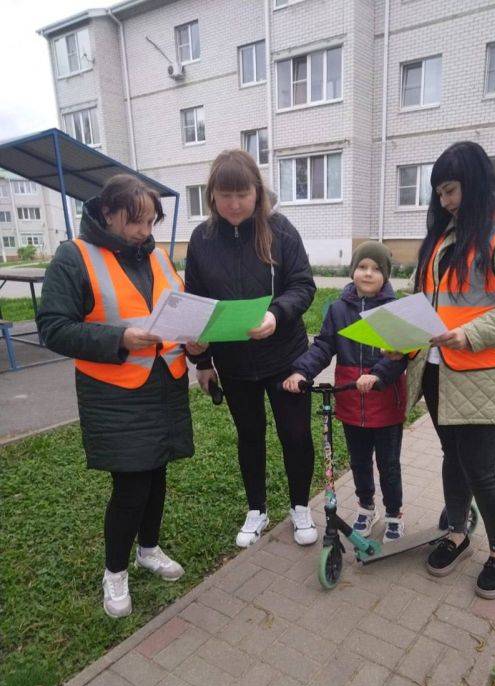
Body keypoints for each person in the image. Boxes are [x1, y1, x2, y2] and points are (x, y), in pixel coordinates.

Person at [398, 140, 495, 599]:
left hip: (485, 374)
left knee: (482, 468)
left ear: (478, 181)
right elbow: (423, 294)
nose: (444, 201)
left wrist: (471, 334)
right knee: (454, 458)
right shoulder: (447, 233)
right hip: (438, 371)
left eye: (451, 190)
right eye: (440, 193)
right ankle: (458, 532)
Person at [38, 174, 194, 618]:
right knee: (131, 485)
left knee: (157, 473)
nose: (145, 231)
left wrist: (196, 341)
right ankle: (115, 572)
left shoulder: (158, 256)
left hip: (164, 383)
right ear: (107, 213)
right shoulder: (74, 257)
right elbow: (54, 326)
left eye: (151, 222)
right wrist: (122, 338)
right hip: (115, 391)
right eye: (136, 221)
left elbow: (179, 308)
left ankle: (148, 549)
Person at [185, 150, 317, 548]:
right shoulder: (202, 239)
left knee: (295, 434)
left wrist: (276, 315)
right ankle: (256, 510)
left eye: (242, 194)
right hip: (234, 362)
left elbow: (304, 285)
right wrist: (201, 361)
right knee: (250, 435)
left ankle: (299, 506)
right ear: (212, 196)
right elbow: (196, 301)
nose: (235, 204)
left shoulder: (280, 230)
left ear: (257, 193)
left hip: (285, 356)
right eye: (225, 195)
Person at [284, 242, 408, 541]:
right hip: (351, 400)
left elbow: (400, 355)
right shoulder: (338, 309)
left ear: (386, 275)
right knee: (359, 461)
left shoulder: (394, 310)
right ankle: (366, 507)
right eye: (362, 267)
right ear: (353, 271)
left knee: (388, 464)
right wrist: (302, 371)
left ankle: (394, 513)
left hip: (385, 401)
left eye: (376, 269)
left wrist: (377, 374)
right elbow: (325, 345)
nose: (368, 274)